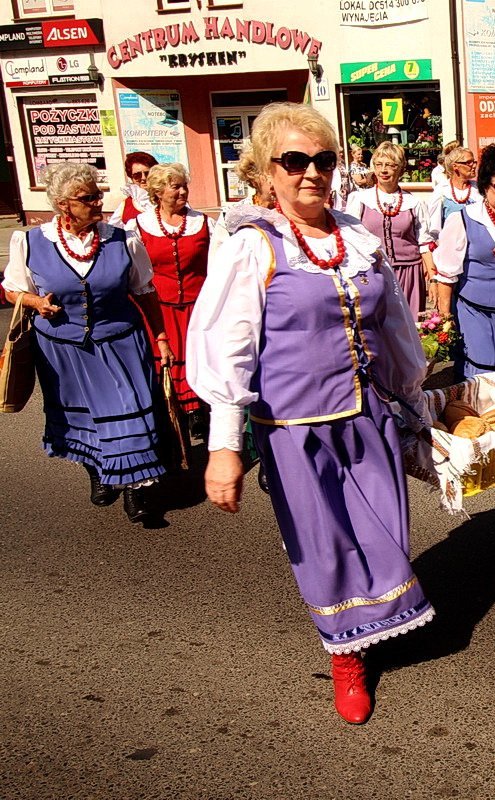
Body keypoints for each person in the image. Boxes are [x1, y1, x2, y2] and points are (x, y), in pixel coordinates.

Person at [188, 102, 433, 725]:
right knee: (326, 547)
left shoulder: (356, 237)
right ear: (266, 172)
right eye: (294, 161)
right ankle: (346, 657)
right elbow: (227, 344)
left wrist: (419, 401)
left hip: (368, 416)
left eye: (322, 160)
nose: (311, 173)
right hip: (298, 429)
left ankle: (375, 618)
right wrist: (224, 446)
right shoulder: (252, 244)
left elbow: (396, 327)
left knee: (385, 535)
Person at [3, 163, 171, 524]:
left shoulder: (122, 239)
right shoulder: (30, 242)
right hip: (62, 349)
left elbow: (145, 292)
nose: (98, 202)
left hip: (120, 344)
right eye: (88, 197)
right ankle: (98, 473)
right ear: (64, 204)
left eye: (97, 194)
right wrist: (36, 303)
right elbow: (13, 288)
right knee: (85, 420)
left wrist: (161, 339)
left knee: (131, 416)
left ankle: (136, 488)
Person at [432, 144, 495, 379]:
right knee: (483, 377)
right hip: (475, 312)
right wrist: (445, 319)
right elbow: (447, 274)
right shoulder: (464, 219)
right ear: (485, 186)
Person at [128, 163, 214, 436]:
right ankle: (171, 422)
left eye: (184, 185)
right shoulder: (137, 226)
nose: (182, 191)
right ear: (158, 192)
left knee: (201, 362)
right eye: (175, 186)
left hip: (198, 308)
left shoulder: (205, 223)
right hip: (158, 310)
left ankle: (200, 413)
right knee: (164, 365)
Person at [345, 141, 434, 318]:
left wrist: (433, 277)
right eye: (379, 165)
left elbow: (423, 242)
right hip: (373, 271)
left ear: (400, 169)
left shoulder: (414, 203)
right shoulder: (360, 199)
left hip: (409, 272)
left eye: (390, 165)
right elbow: (350, 240)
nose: (383, 170)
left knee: (410, 326)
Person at [421, 146, 481, 251]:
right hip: (451, 249)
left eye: (474, 162)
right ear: (455, 166)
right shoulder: (442, 192)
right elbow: (435, 229)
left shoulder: (479, 190)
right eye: (468, 163)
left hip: (476, 248)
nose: (474, 166)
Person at [109, 152, 158, 226]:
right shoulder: (125, 206)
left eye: (147, 173)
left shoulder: (167, 199)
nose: (143, 178)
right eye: (137, 175)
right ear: (131, 178)